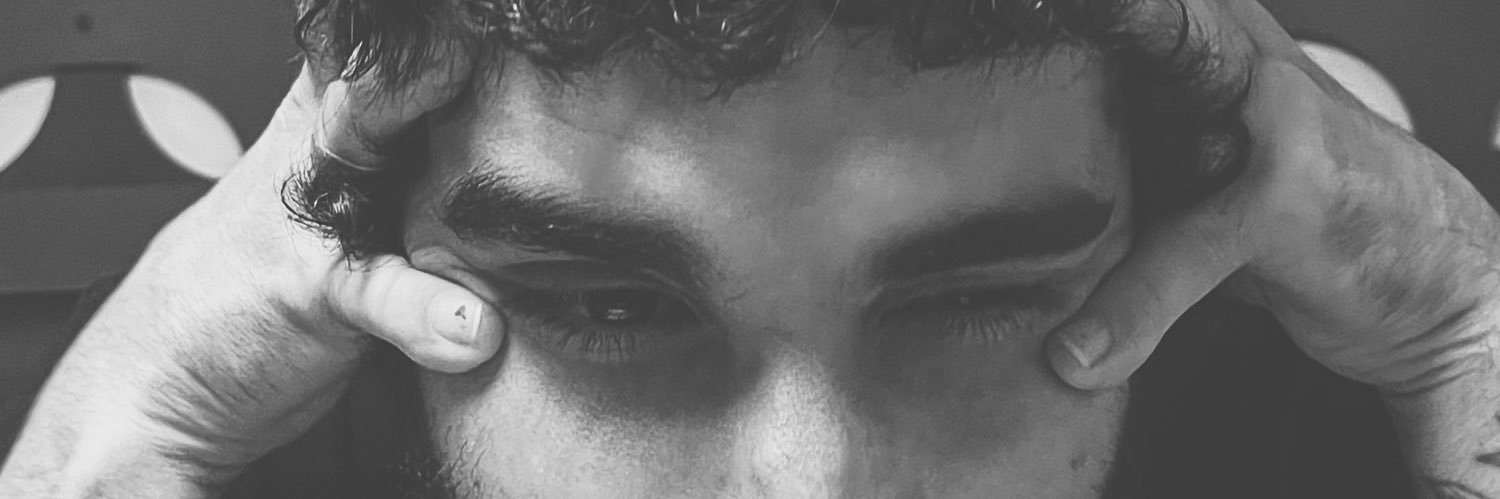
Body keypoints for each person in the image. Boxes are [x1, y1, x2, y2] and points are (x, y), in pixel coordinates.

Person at [3, 0, 1497, 497]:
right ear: (384, 278)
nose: (811, 481)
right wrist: (116, 436)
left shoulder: (1279, 427)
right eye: (607, 305)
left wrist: (1467, 331)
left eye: (971, 300)